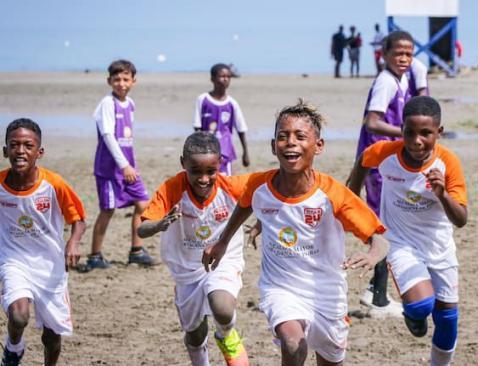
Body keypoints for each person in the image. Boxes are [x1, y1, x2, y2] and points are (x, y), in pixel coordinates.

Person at [202, 100, 388, 365]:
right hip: (281, 288)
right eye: (282, 136)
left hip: (327, 291)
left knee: (331, 359)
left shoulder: (332, 193)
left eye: (300, 136)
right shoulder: (259, 184)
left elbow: (379, 240)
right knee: (292, 343)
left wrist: (372, 255)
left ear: (318, 146)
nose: (290, 142)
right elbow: (244, 204)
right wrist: (222, 242)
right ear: (273, 145)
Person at [348, 96, 467, 366]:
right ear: (401, 130)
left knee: (447, 319)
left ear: (439, 132)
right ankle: (413, 314)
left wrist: (443, 194)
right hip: (399, 243)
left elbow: (461, 219)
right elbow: (363, 162)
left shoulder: (448, 163)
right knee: (421, 307)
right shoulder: (385, 152)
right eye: (409, 132)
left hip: (439, 247)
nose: (416, 141)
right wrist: (352, 198)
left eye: (426, 133)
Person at [138, 132, 249, 366]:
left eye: (211, 171)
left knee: (222, 309)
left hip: (223, 260)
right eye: (195, 171)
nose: (203, 179)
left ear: (220, 163)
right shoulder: (172, 188)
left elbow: (266, 191)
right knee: (195, 334)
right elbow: (142, 229)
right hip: (186, 270)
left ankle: (226, 334)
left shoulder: (230, 186)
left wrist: (259, 223)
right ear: (183, 164)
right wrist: (160, 224)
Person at [0, 118, 86, 366]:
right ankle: (13, 349)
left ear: (40, 152)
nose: (20, 151)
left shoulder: (53, 184)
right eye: (14, 145)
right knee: (18, 316)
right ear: (5, 150)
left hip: (50, 266)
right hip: (13, 261)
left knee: (52, 336)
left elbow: (78, 219)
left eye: (28, 145)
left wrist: (73, 243)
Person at [355, 30, 414, 317]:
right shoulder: (386, 82)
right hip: (378, 162)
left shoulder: (400, 80)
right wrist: (406, 133)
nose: (403, 58)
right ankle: (378, 296)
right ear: (384, 54)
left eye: (409, 54)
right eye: (398, 53)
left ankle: (376, 291)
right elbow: (373, 122)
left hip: (386, 162)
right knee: (384, 226)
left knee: (388, 225)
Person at [85, 59, 153, 270]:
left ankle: (136, 250)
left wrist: (130, 164)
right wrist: (123, 165)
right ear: (109, 81)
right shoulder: (107, 104)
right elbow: (108, 135)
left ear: (134, 81)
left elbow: (126, 139)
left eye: (125, 79)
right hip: (109, 169)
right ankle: (95, 255)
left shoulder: (130, 104)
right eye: (117, 79)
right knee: (108, 210)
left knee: (143, 204)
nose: (121, 83)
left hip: (128, 167)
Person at [193, 63, 250, 176]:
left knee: (225, 183)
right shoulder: (203, 100)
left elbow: (241, 129)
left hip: (225, 152)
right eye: (222, 76)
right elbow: (197, 127)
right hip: (206, 151)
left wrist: (245, 153)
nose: (225, 79)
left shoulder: (232, 104)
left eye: (228, 77)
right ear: (212, 79)